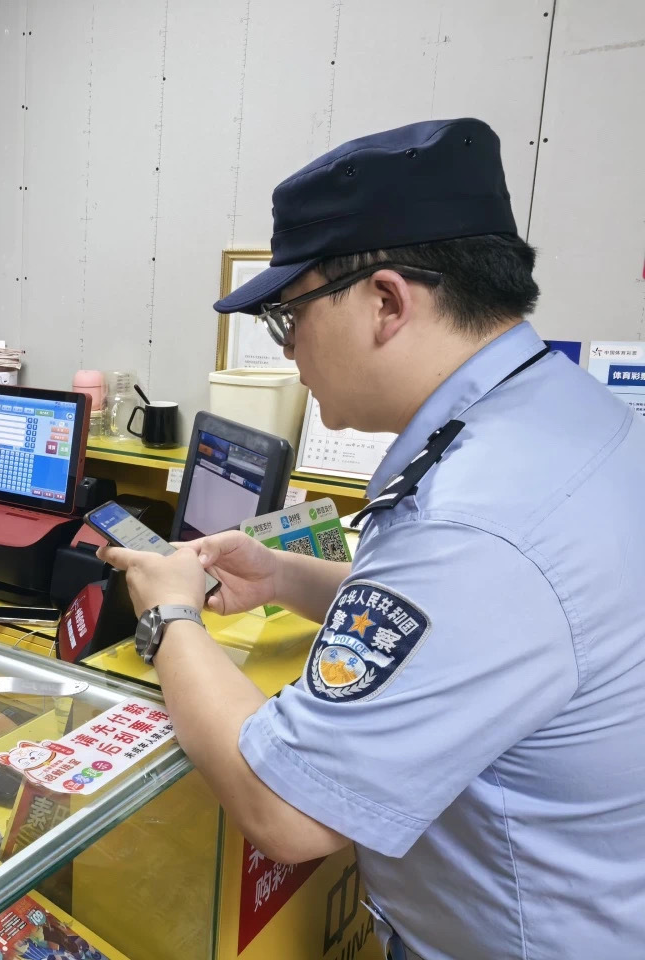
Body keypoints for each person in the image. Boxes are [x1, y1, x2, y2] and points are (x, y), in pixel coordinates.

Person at [99, 118, 645, 960]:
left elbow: (284, 812)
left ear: (387, 302)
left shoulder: (471, 519)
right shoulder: (561, 413)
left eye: (290, 320)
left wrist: (171, 617)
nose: (291, 357)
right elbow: (476, 633)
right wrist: (285, 577)